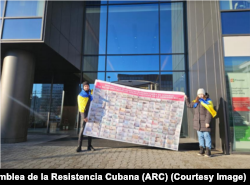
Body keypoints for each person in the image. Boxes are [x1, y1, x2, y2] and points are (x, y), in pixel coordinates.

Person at [185, 88, 217, 157]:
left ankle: (208, 151)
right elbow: (189, 105)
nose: (200, 95)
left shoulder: (208, 102)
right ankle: (202, 150)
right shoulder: (196, 102)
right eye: (199, 94)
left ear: (204, 94)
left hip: (205, 123)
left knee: (206, 136)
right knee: (200, 137)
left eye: (201, 94)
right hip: (198, 123)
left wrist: (207, 122)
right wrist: (186, 98)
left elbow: (209, 113)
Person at [76, 81, 95, 152]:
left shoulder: (91, 92)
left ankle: (89, 146)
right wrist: (84, 117)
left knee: (90, 129)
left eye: (88, 86)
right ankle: (79, 146)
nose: (87, 87)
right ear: (83, 87)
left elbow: (98, 90)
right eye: (85, 86)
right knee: (83, 129)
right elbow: (80, 107)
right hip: (84, 113)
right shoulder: (80, 95)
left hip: (91, 112)